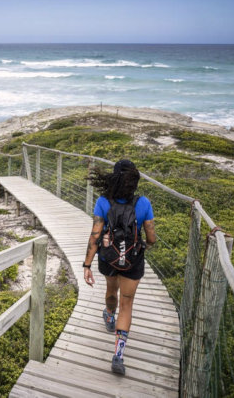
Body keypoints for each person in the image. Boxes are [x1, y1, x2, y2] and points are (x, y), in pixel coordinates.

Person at [82, 159, 156, 375]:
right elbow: (151, 237)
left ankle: (108, 314)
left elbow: (95, 235)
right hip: (133, 261)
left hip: (108, 259)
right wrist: (143, 246)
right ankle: (118, 356)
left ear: (113, 178)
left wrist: (87, 264)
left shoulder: (103, 202)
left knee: (110, 290)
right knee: (127, 304)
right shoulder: (143, 203)